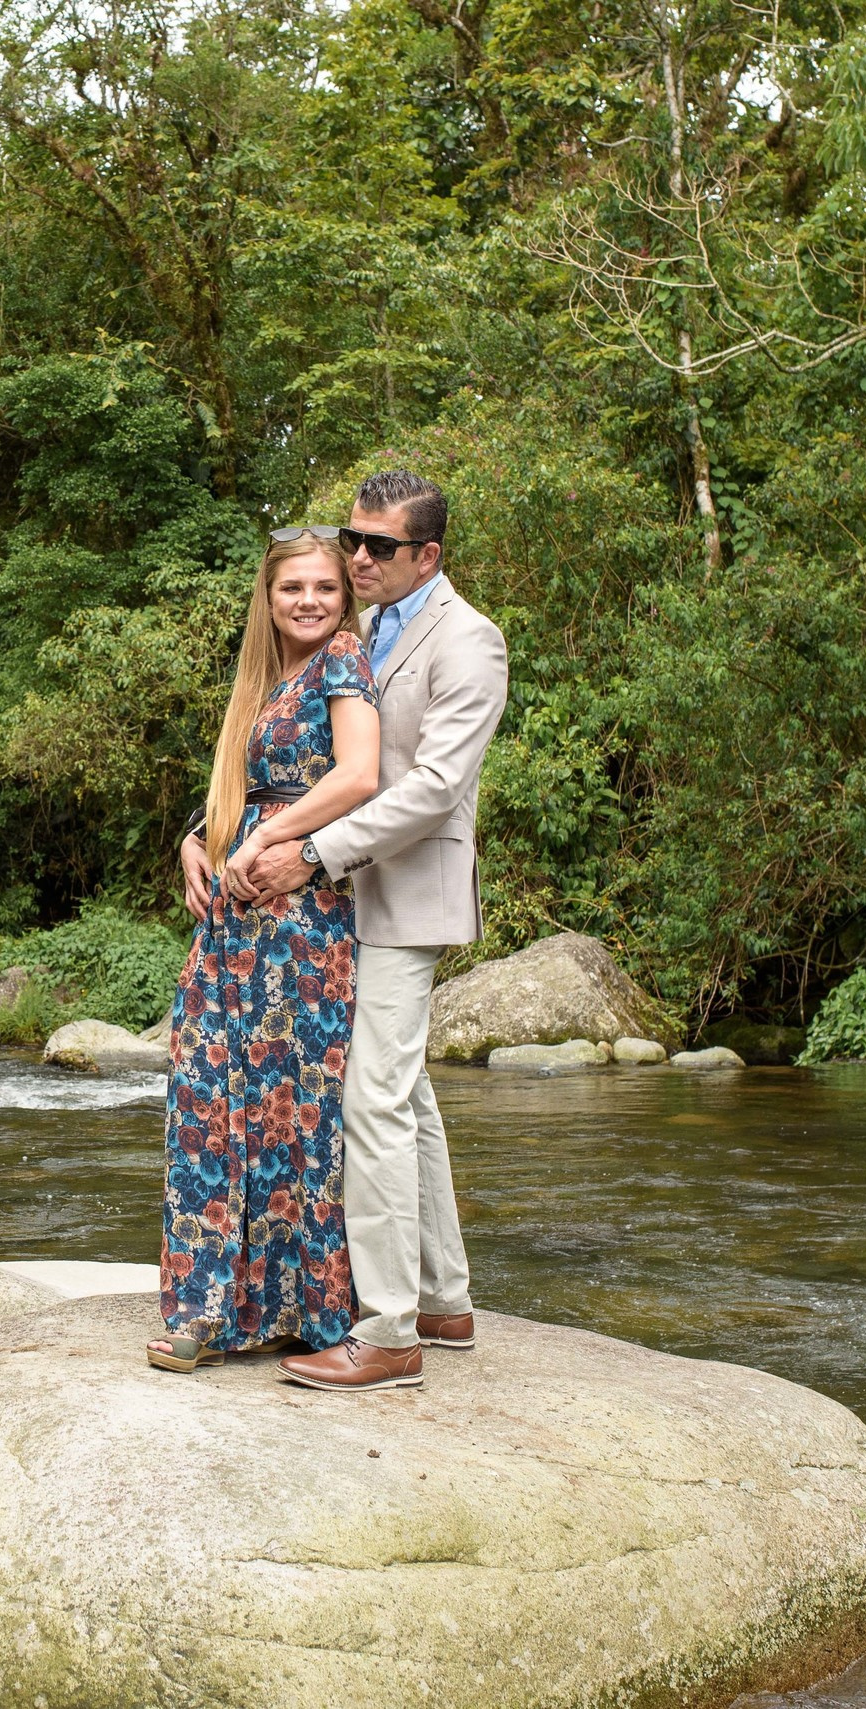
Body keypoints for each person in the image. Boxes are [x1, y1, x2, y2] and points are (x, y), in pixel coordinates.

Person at [205, 470, 508, 1394]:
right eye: (354, 539)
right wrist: (205, 832)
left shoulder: (469, 640)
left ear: (430, 555)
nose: (358, 556)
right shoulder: (360, 628)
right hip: (342, 900)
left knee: (370, 1100)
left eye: (379, 546)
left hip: (403, 895)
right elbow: (286, 756)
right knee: (407, 1094)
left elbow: (431, 790)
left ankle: (385, 1334)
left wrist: (314, 853)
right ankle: (443, 1299)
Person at [148, 529, 380, 1373]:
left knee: (291, 1108)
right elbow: (239, 790)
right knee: (212, 1094)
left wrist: (267, 838)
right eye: (294, 588)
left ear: (344, 597)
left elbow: (359, 775)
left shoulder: (342, 660)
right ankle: (215, 1305)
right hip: (236, 921)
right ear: (269, 597)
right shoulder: (263, 679)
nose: (312, 600)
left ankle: (303, 1306)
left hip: (302, 924)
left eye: (326, 586)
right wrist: (195, 843)